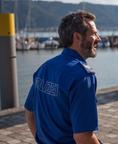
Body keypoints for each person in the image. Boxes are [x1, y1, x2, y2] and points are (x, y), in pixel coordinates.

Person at [24, 11, 102, 144]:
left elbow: (29, 111)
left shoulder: (45, 67)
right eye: (94, 34)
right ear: (77, 37)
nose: (98, 38)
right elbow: (83, 137)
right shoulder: (82, 77)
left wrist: (40, 139)